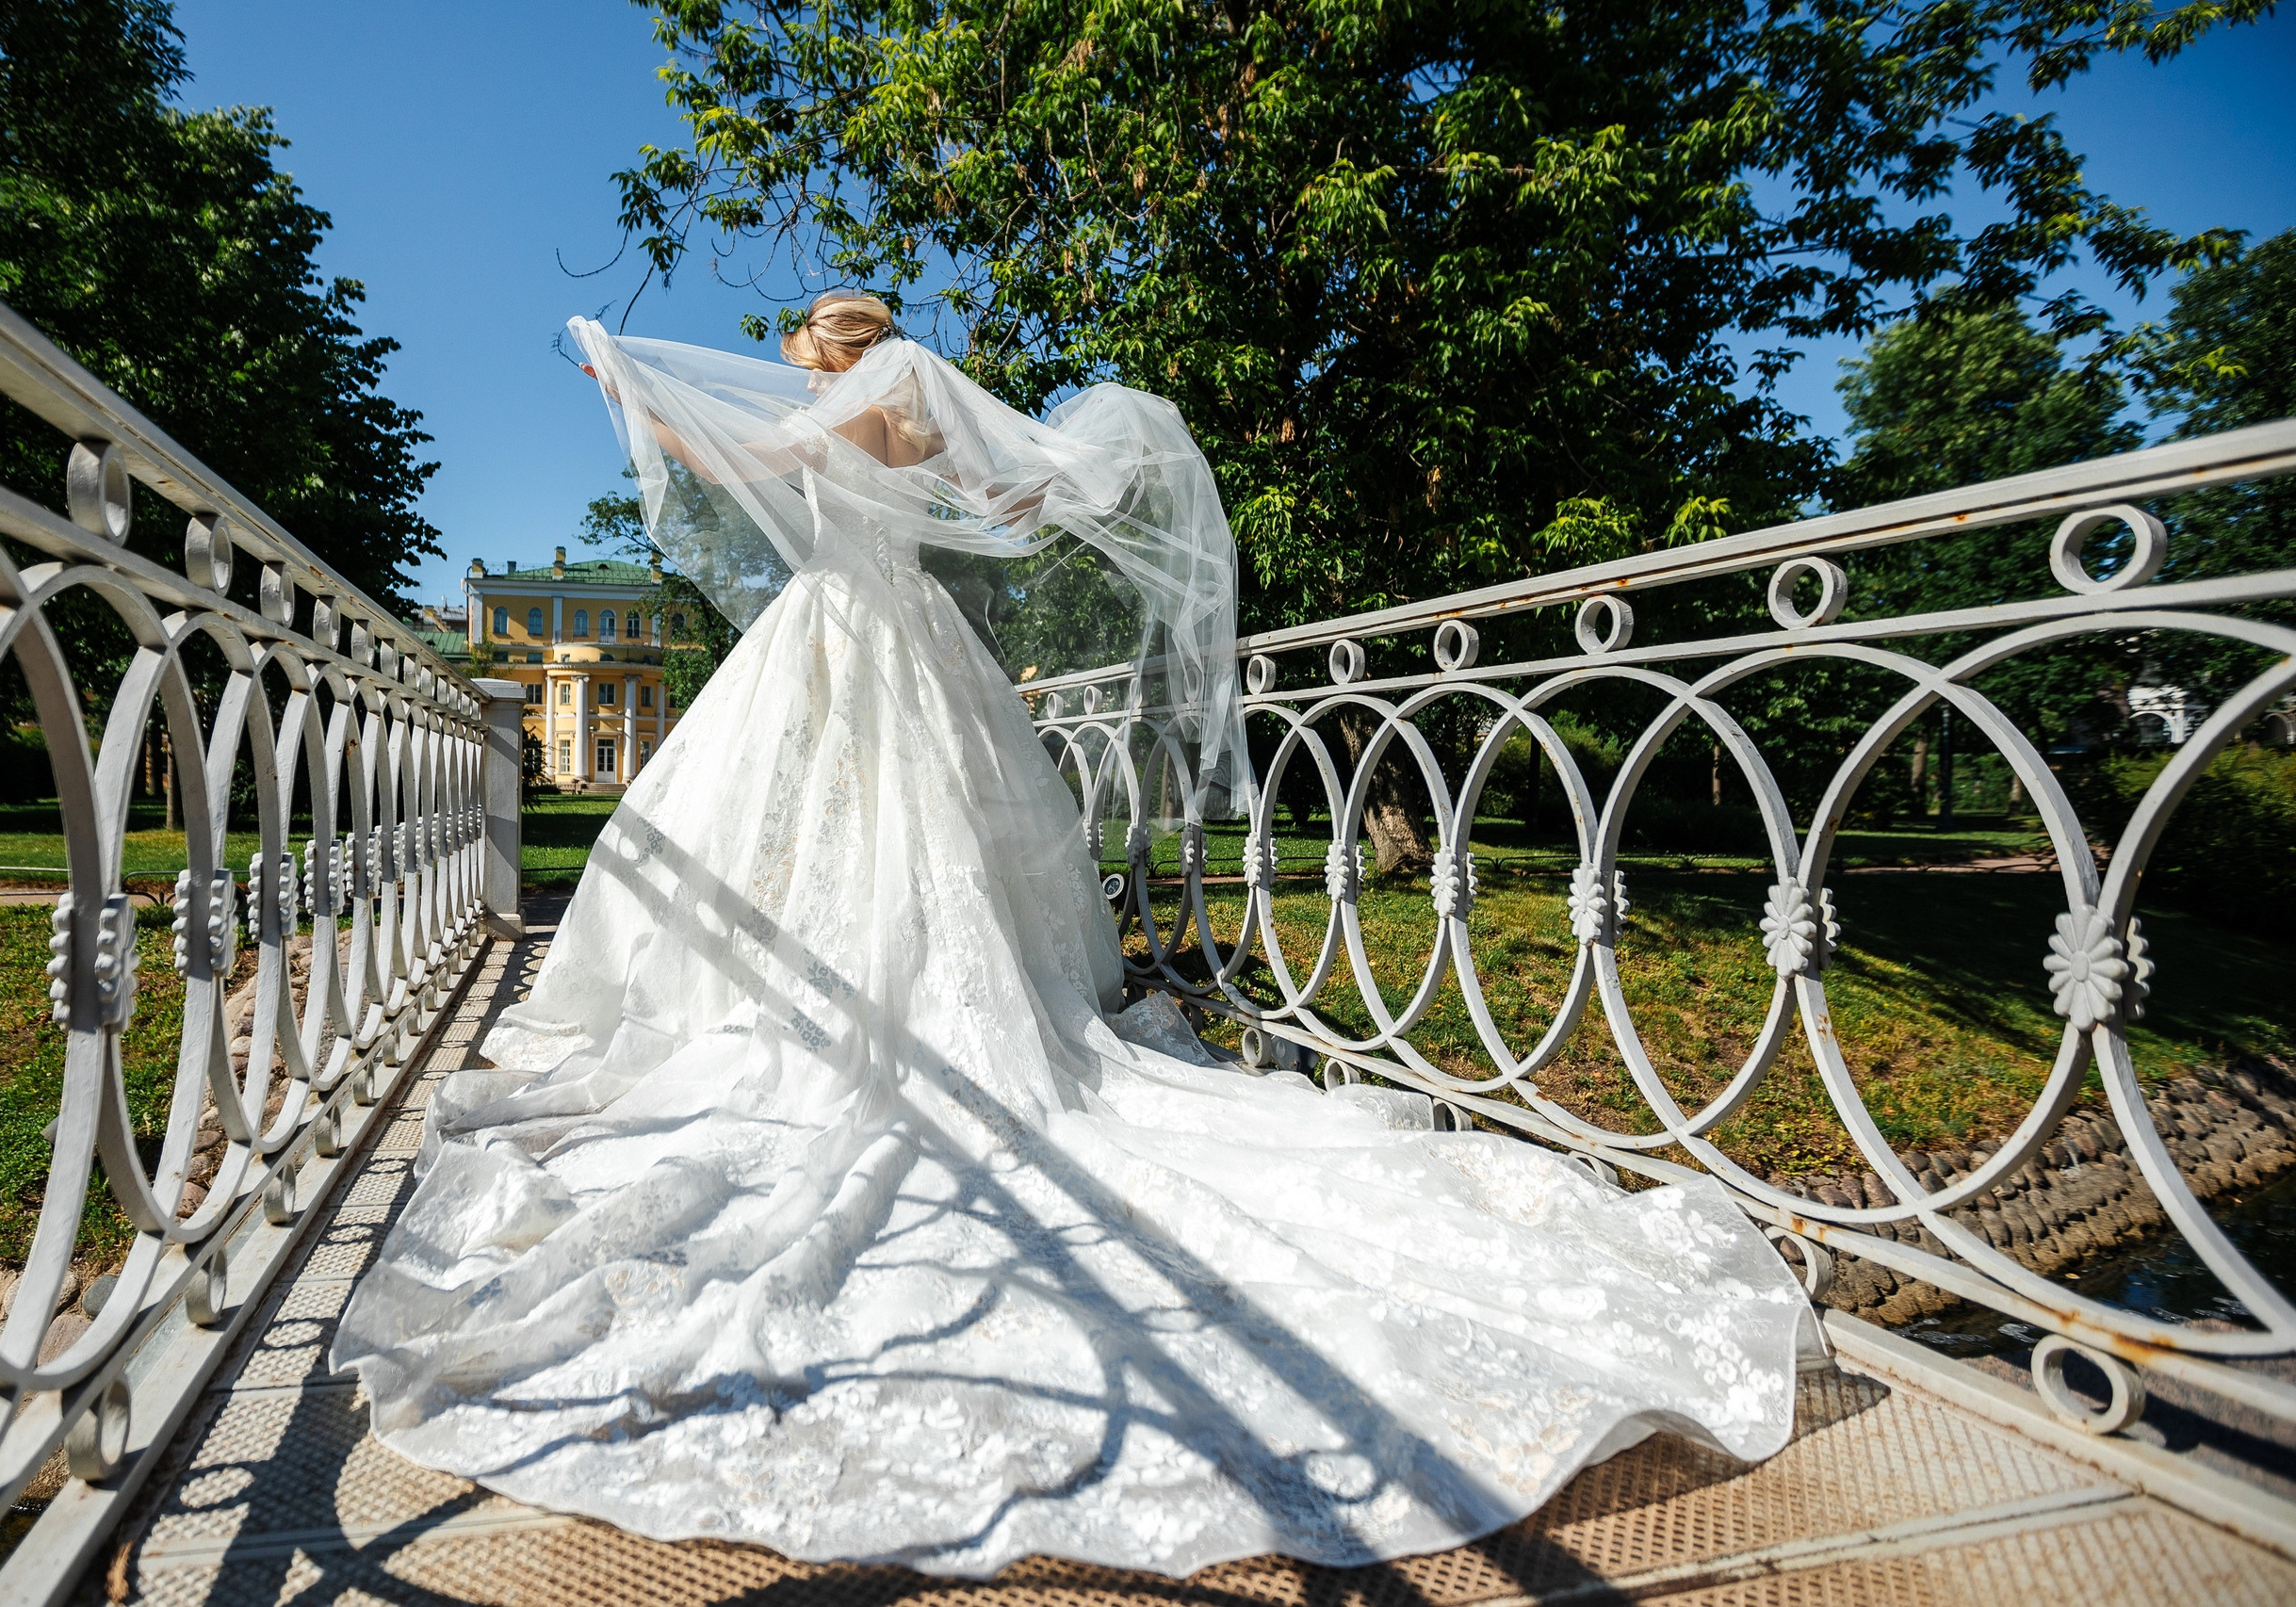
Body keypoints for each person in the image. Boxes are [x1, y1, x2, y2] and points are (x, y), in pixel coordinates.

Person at [332, 293, 1810, 1578]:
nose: (801, 380)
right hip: (918, 643)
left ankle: (811, 1020)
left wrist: (628, 387)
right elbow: (1019, 510)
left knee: (793, 844)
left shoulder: (835, 418)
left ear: (829, 357)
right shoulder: (920, 416)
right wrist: (1008, 509)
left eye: (803, 357)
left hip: (836, 637)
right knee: (931, 850)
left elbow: (750, 453)